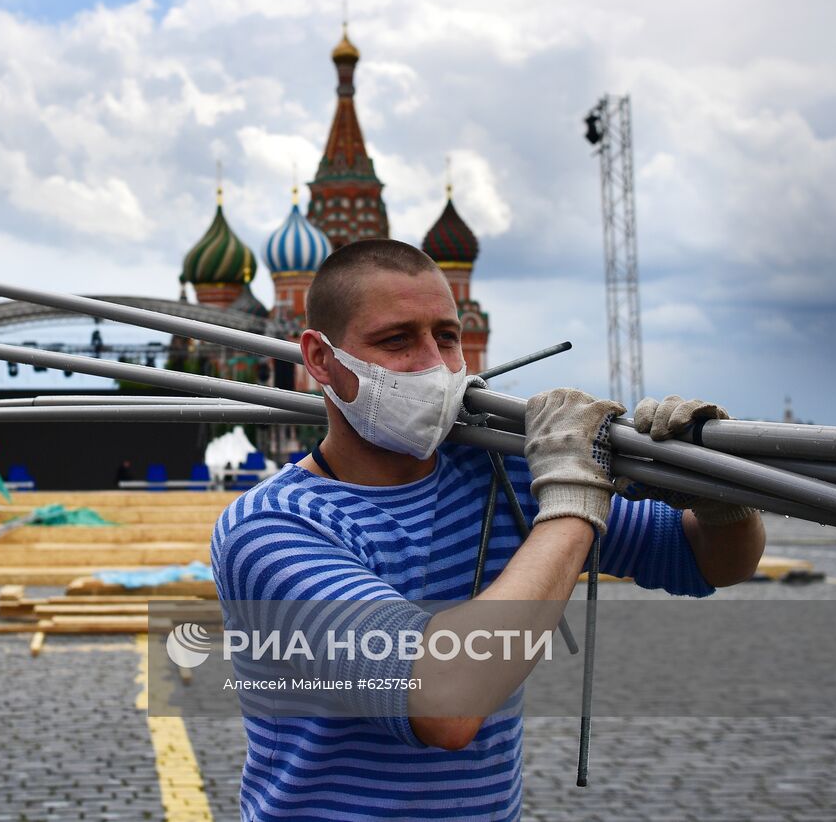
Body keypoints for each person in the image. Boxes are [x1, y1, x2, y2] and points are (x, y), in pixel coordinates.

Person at [211, 239, 765, 820]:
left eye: (446, 337)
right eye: (397, 340)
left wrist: (718, 501)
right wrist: (576, 496)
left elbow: (712, 562)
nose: (434, 364)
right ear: (320, 360)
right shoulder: (271, 528)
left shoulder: (505, 472)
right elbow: (443, 705)